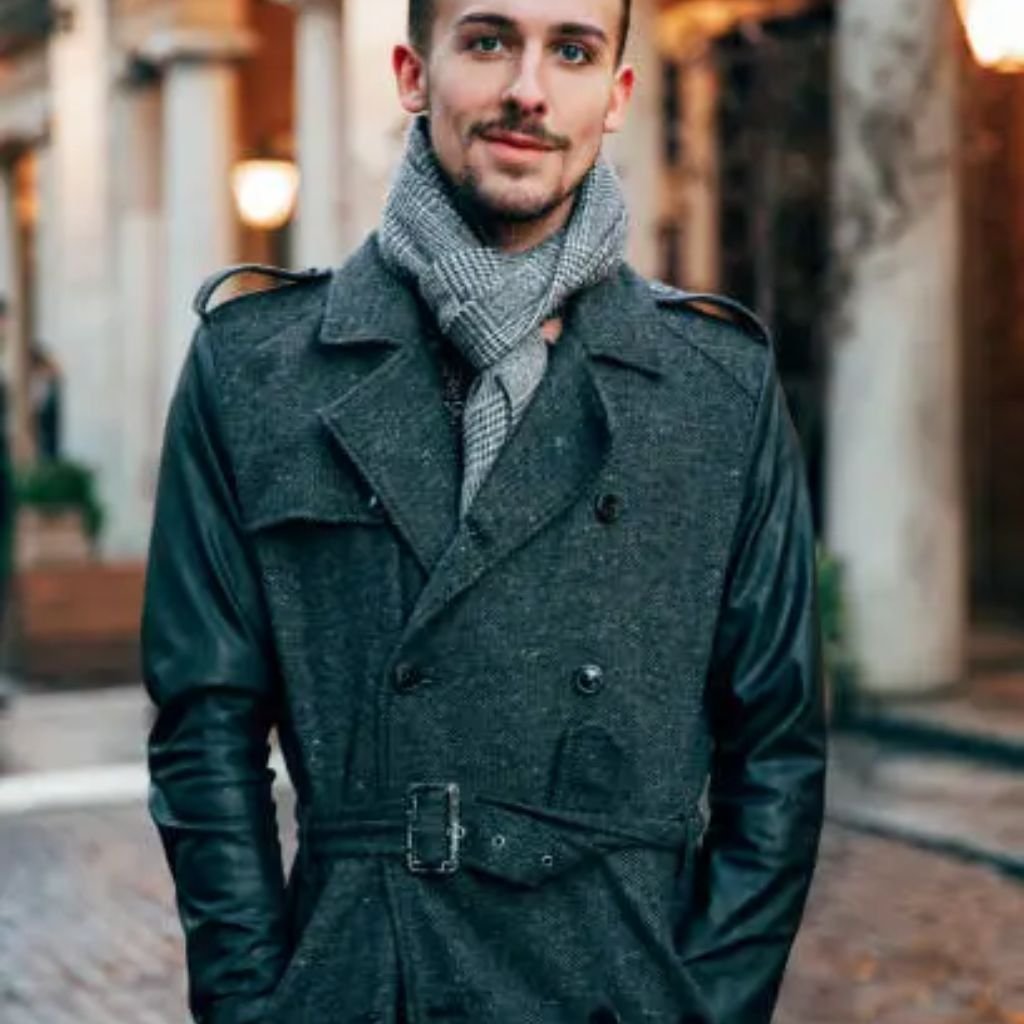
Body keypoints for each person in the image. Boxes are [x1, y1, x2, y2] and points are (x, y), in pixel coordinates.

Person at [142, 1, 827, 1022]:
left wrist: (709, 1007)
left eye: (573, 50)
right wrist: (251, 1004)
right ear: (414, 73)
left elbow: (774, 743)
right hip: (364, 978)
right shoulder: (258, 371)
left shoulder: (712, 388)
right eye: (489, 40)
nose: (528, 89)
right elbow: (205, 729)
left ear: (616, 97)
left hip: (619, 981)